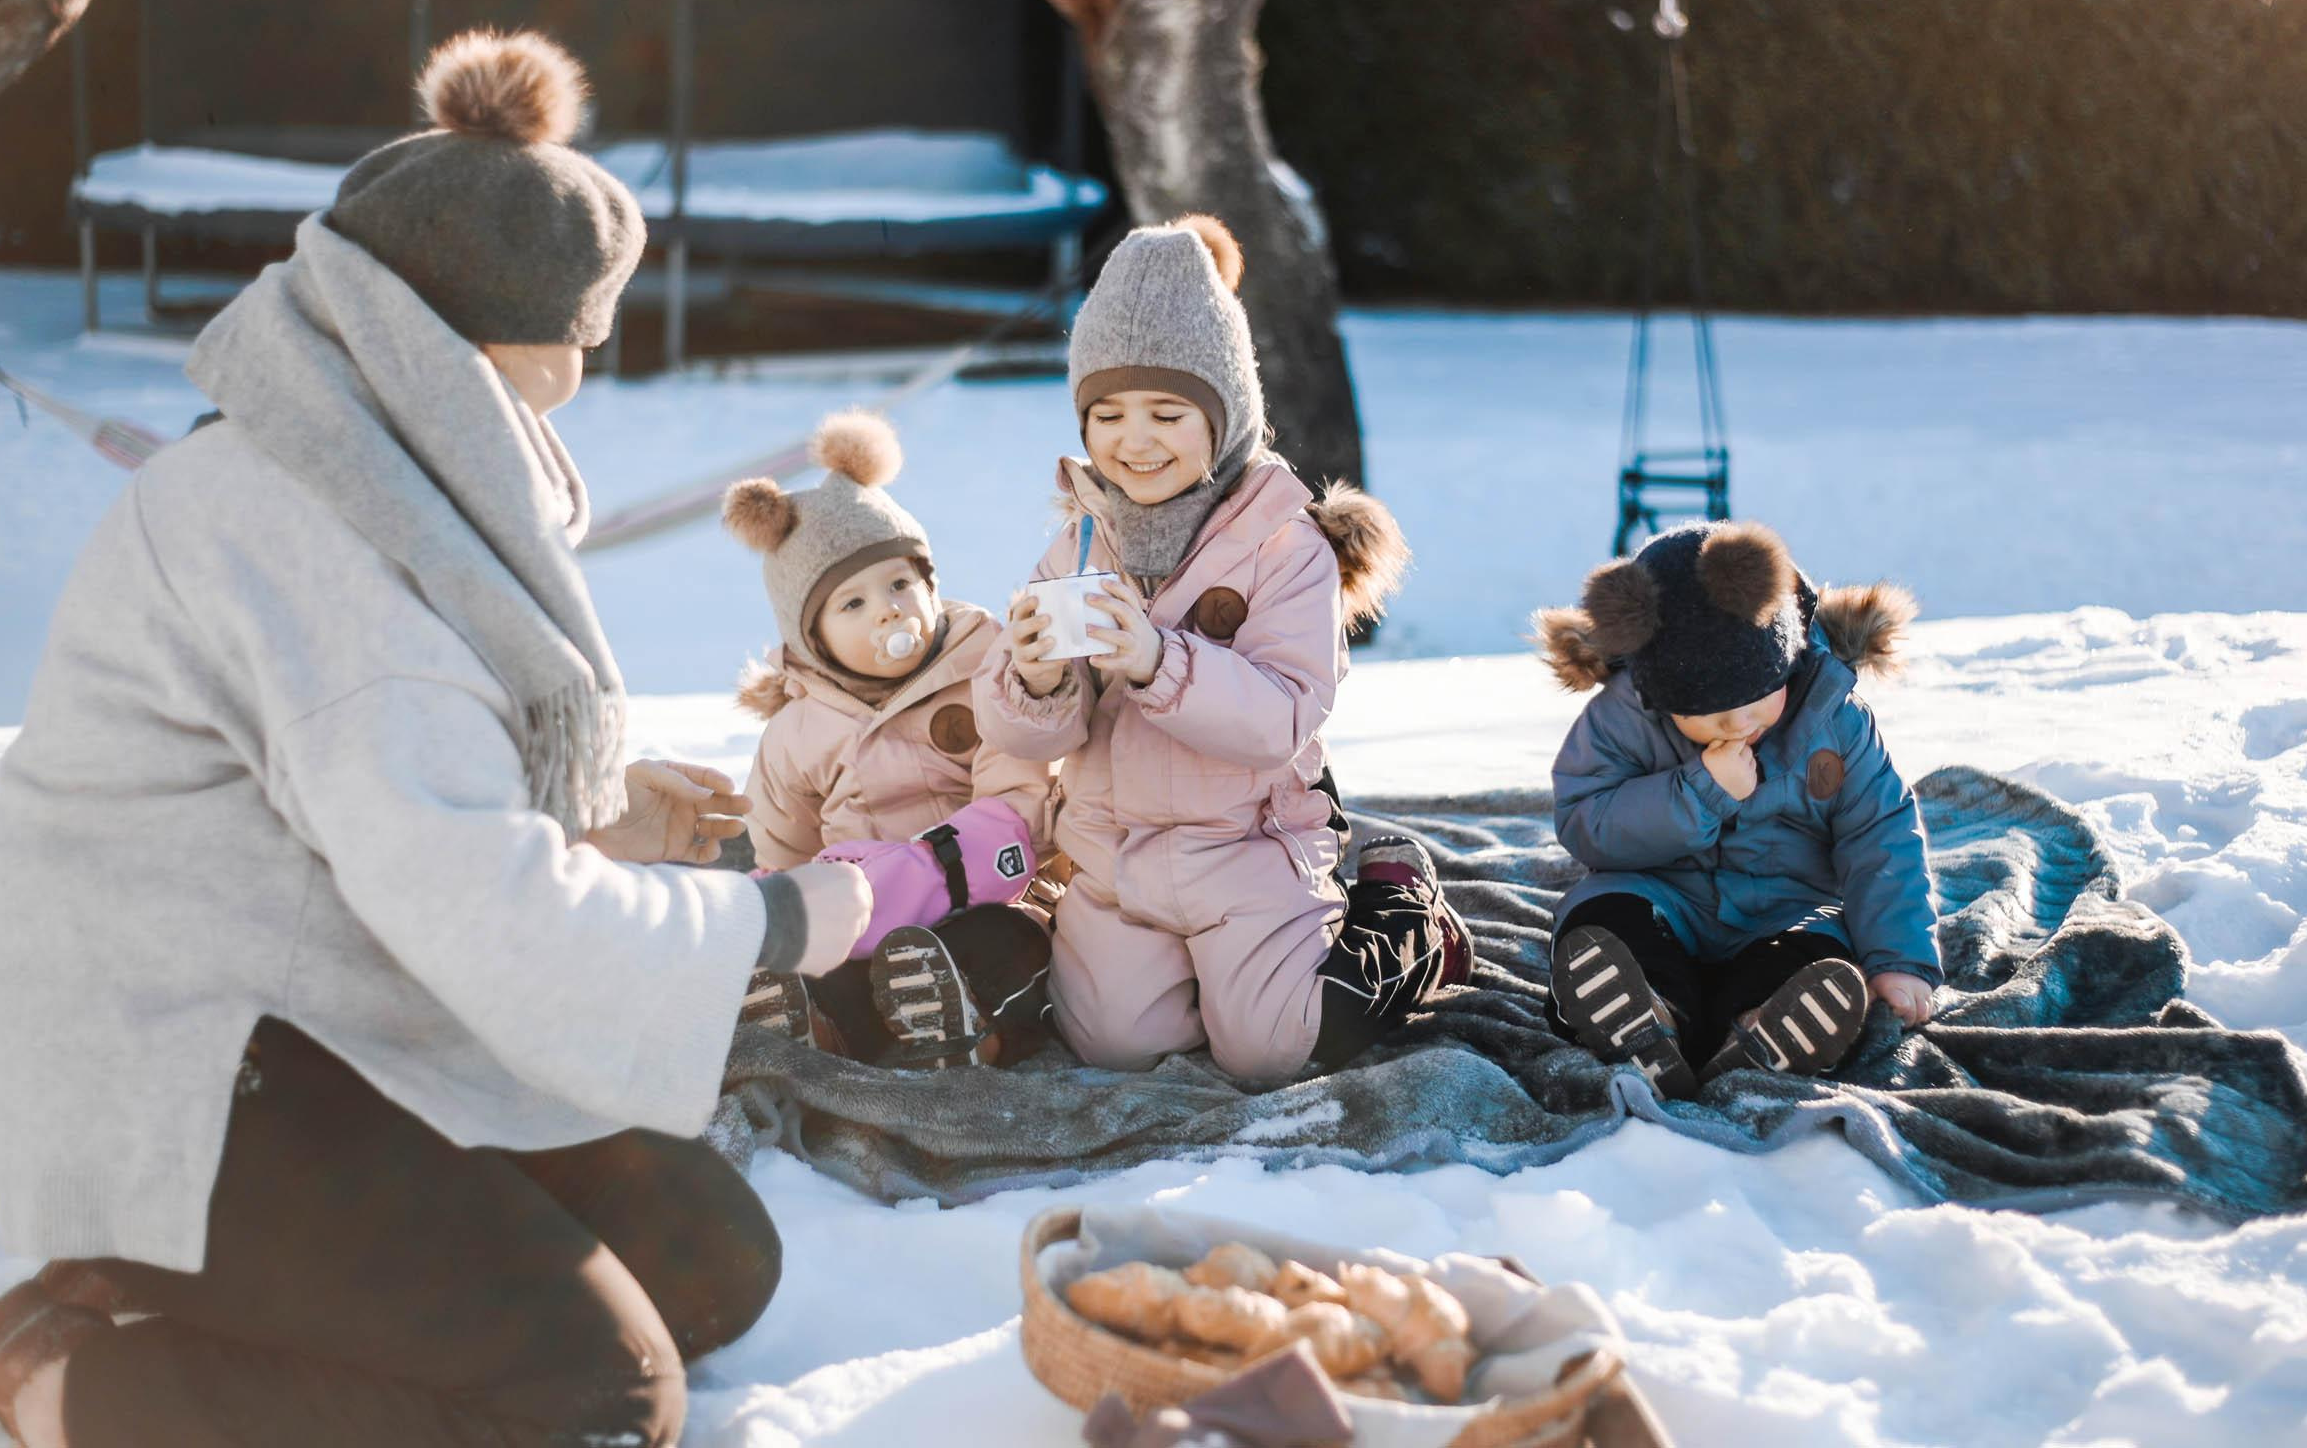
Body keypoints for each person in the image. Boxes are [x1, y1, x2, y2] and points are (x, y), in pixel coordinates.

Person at [0, 30, 871, 1448]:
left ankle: (199, 1287)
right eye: (541, 380)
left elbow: (372, 801)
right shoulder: (321, 536)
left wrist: (591, 823)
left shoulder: (366, 467)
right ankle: (75, 1382)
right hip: (187, 1064)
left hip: (310, 1008)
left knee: (708, 1254)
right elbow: (473, 897)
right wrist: (778, 917)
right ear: (449, 357)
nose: (549, 421)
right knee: (600, 1395)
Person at [973, 213, 1470, 1085]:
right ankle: (1175, 976)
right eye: (1108, 413)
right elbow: (1026, 738)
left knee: (1274, 1047)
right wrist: (1035, 678)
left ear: (1227, 413)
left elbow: (1282, 713)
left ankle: (1402, 909)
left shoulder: (1285, 543)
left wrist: (1159, 663)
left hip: (1247, 845)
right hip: (1118, 854)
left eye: (1168, 412)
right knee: (1113, 1043)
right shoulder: (1081, 544)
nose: (1135, 440)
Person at [1534, 520, 1939, 1100]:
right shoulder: (1621, 717)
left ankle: (1760, 1026)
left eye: (1756, 701)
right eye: (1713, 717)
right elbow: (1585, 820)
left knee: (1817, 952)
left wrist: (1898, 958)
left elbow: (1880, 834)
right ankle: (1651, 1017)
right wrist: (1700, 789)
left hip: (1785, 909)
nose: (1741, 725)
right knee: (1602, 922)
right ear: (1659, 695)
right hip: (1659, 895)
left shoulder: (1834, 720)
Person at [722, 409, 1055, 1067]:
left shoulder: (985, 671)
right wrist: (786, 914)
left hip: (988, 894)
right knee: (832, 961)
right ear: (812, 639)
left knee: (1015, 944)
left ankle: (973, 1029)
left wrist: (905, 879)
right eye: (852, 603)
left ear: (931, 583)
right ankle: (823, 1028)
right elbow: (781, 848)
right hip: (859, 922)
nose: (889, 608)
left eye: (901, 583)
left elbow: (1020, 808)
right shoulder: (797, 732)